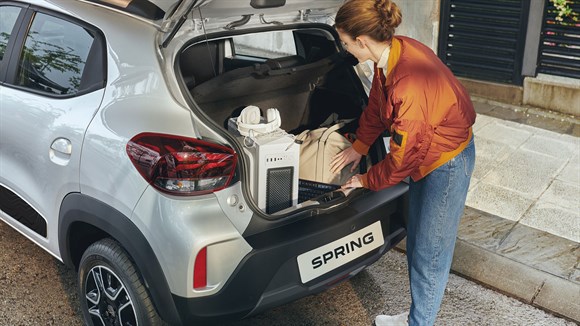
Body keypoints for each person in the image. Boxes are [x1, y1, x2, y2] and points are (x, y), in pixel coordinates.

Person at [329, 0, 476, 325]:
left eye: (345, 42)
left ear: (361, 41)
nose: (345, 49)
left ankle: (418, 323)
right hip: (428, 152)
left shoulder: (407, 83)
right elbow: (377, 104)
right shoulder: (392, 55)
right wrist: (360, 145)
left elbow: (401, 160)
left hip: (446, 163)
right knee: (418, 241)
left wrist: (365, 180)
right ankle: (415, 317)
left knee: (430, 253)